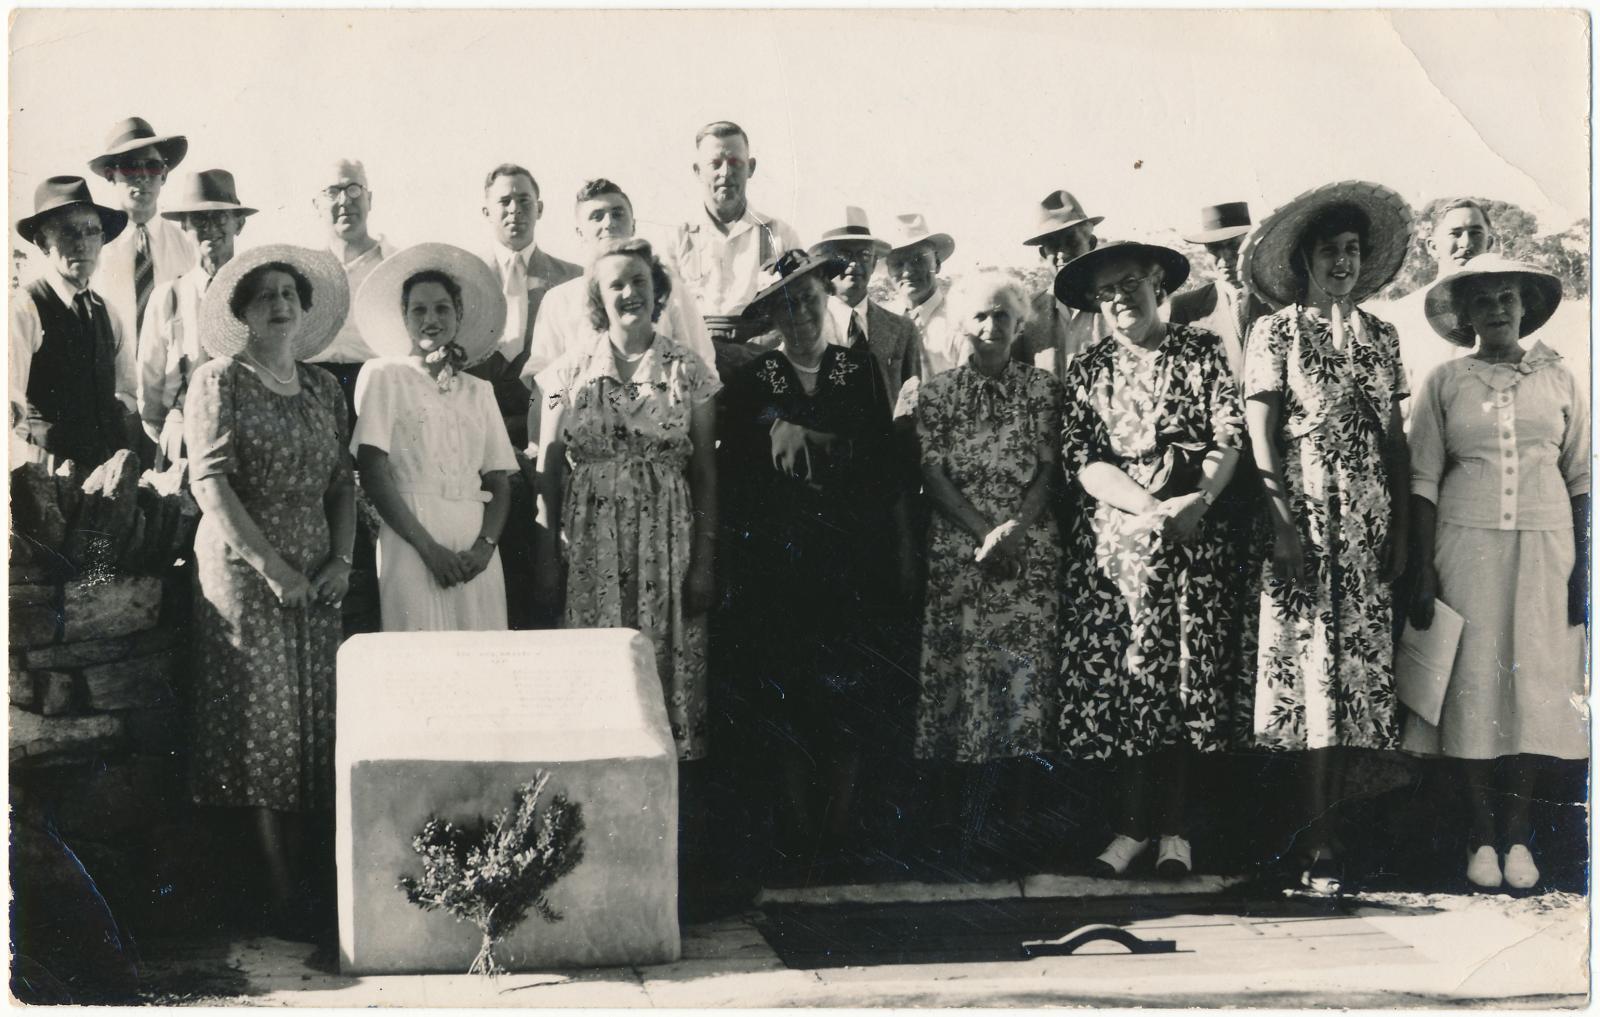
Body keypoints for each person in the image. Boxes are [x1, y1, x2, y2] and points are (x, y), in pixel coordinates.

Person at [1239, 181, 1414, 892]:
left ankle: (1338, 830)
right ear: (1305, 258)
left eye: (1352, 251)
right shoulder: (1276, 331)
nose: (1342, 262)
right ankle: (1315, 840)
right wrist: (1282, 521)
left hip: (1367, 525)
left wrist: (1400, 527)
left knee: (1355, 685)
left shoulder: (1382, 335)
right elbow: (1260, 432)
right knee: (1313, 677)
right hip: (1307, 519)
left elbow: (1396, 439)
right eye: (1329, 250)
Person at [1055, 241, 1246, 879]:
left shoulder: (1202, 351)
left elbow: (1229, 437)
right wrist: (1147, 507)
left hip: (1193, 538)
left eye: (1131, 282)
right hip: (1120, 548)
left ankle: (1176, 830)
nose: (1119, 297)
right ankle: (1130, 827)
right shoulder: (1087, 368)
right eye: (1105, 290)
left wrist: (1199, 500)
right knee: (1130, 684)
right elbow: (1084, 461)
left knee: (1186, 683)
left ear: (1158, 283)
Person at [184, 244, 356, 936]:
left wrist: (339, 559)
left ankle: (317, 880)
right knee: (261, 724)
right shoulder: (219, 380)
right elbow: (210, 482)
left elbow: (344, 481)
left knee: (313, 720)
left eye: (290, 293)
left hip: (316, 576)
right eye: (265, 297)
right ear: (244, 315)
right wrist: (273, 569)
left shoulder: (321, 387)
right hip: (246, 570)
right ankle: (278, 894)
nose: (281, 304)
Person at [1403, 256, 1588, 892]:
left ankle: (1519, 837)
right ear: (1465, 315)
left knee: (1535, 685)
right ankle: (1480, 838)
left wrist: (1584, 569)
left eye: (1508, 297)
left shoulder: (1560, 378)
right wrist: (1422, 571)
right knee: (1475, 685)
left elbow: (1584, 478)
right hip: (1466, 546)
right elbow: (1422, 481)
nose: (1498, 309)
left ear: (1525, 306)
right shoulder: (1446, 381)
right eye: (1483, 300)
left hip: (1546, 546)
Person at [718, 249, 908, 866]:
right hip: (780, 565)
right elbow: (739, 482)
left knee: (848, 695)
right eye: (786, 303)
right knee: (786, 695)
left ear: (827, 298)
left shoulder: (859, 369)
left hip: (849, 563)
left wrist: (893, 554)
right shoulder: (756, 379)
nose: (799, 313)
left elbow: (885, 472)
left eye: (807, 299)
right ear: (772, 314)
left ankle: (843, 828)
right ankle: (798, 833)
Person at [534, 237, 719, 758]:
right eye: (615, 283)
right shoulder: (563, 373)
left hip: (668, 539)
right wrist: (547, 557)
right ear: (597, 296)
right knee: (596, 669)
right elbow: (548, 468)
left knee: (664, 665)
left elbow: (705, 470)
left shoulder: (690, 371)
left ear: (658, 291)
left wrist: (704, 560)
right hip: (592, 542)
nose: (629, 292)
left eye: (640, 281)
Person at [913, 271, 1064, 856]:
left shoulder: (1043, 390)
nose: (990, 326)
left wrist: (1015, 531)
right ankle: (967, 832)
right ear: (960, 323)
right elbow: (932, 475)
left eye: (1002, 315)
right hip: (963, 555)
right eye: (979, 315)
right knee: (966, 688)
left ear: (1020, 323)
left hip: (1027, 558)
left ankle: (1019, 827)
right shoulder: (938, 394)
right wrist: (986, 533)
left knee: (1022, 691)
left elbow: (1050, 471)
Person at [351, 244, 516, 632]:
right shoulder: (384, 375)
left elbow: (498, 479)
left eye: (442, 308)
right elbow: (373, 471)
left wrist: (484, 548)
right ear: (404, 318)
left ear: (458, 315)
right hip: (412, 543)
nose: (431, 319)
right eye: (419, 310)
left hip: (475, 547)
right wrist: (429, 550)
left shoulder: (479, 390)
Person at [522, 177, 714, 409]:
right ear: (579, 232)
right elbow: (544, 387)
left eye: (617, 213)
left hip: (663, 426)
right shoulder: (558, 301)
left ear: (633, 225)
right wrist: (537, 444)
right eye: (596, 216)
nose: (609, 223)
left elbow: (701, 367)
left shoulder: (668, 288)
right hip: (583, 428)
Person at [135, 169, 256, 466]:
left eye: (220, 217)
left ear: (238, 224)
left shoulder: (259, 291)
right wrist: (173, 430)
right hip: (185, 432)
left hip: (251, 431)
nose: (210, 227)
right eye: (199, 219)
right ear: (185, 226)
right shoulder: (167, 296)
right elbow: (149, 383)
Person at [9, 176, 132, 469]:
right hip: (47, 472)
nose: (82, 244)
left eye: (91, 232)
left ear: (102, 240)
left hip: (103, 473)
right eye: (68, 233)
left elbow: (127, 395)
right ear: (43, 243)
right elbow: (9, 404)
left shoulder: (108, 312)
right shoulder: (25, 307)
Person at [88, 117, 198, 418]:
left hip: (172, 401)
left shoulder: (187, 247)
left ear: (164, 175)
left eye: (152, 167)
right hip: (105, 399)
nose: (142, 177)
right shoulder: (91, 247)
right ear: (111, 174)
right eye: (131, 167)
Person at [672, 121, 800, 361]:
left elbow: (798, 312)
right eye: (715, 164)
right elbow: (664, 315)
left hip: (762, 365)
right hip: (696, 364)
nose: (726, 173)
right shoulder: (676, 239)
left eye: (735, 163)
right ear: (698, 171)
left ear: (750, 167)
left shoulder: (781, 235)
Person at [475, 163, 582, 447]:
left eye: (524, 200)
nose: (515, 209)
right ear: (486, 211)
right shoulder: (465, 278)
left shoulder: (573, 278)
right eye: (504, 201)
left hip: (548, 425)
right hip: (477, 424)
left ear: (540, 208)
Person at [307, 158, 398, 412]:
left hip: (378, 391)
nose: (345, 200)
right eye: (332, 192)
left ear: (370, 199)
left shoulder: (396, 265)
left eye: (354, 189)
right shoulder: (302, 270)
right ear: (316, 204)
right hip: (312, 391)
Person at [804, 206, 922, 399]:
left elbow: (911, 404)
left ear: (875, 263)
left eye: (864, 255)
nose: (854, 263)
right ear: (824, 263)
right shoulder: (805, 325)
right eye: (842, 255)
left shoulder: (903, 329)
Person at [1169, 202, 1274, 381]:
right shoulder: (1186, 307)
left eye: (1234, 247)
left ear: (1252, 245)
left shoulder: (1278, 297)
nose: (1225, 259)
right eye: (1215, 249)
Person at [1018, 190, 1107, 380]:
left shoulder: (1116, 302)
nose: (1062, 253)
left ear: (1090, 244)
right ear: (1043, 254)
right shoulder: (1028, 313)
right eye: (1052, 244)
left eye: (1071, 240)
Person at [883, 213, 959, 380]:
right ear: (888, 271)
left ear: (937, 265)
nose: (908, 272)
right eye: (898, 263)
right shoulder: (881, 322)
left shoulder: (959, 322)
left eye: (918, 260)